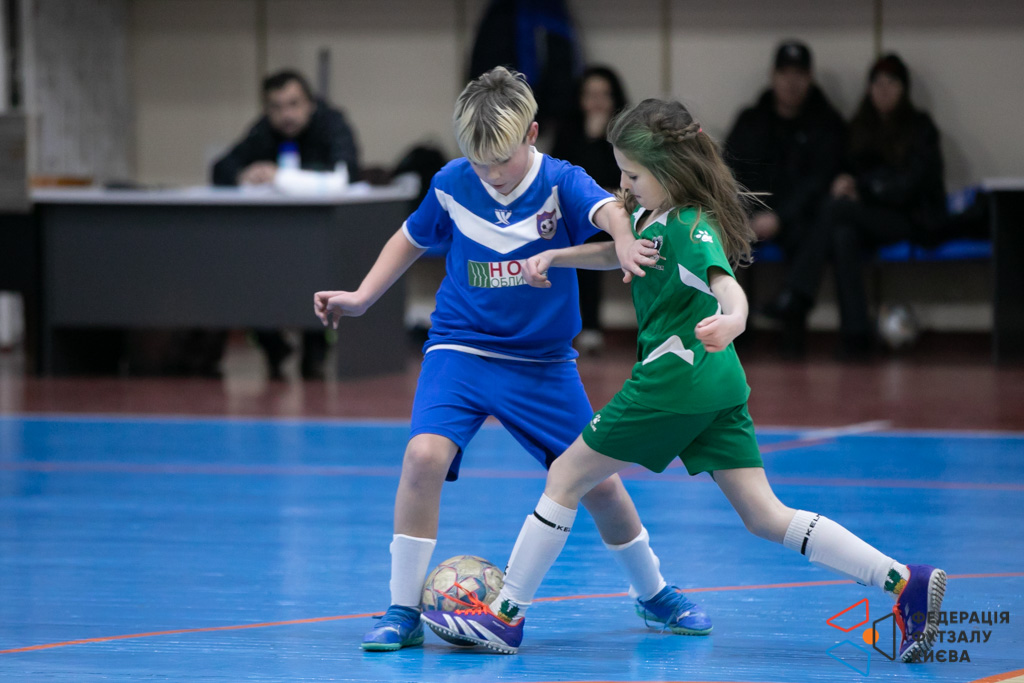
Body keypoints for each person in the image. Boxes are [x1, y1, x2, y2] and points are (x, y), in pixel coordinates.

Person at [422, 98, 946, 664]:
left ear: (670, 171)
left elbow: (724, 282)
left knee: (565, 476)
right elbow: (622, 253)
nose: (623, 186)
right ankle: (903, 580)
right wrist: (558, 256)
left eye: (632, 175)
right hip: (718, 387)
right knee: (764, 515)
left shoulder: (692, 226)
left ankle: (506, 616)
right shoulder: (653, 217)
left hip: (672, 382)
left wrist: (736, 318)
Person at [314, 68, 709, 652]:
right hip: (461, 349)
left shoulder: (561, 180)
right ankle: (402, 609)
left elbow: (610, 212)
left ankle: (654, 593)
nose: (491, 174)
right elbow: (410, 238)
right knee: (422, 457)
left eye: (501, 160)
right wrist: (363, 296)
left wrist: (625, 240)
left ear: (532, 133)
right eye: (479, 162)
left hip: (542, 363)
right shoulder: (452, 182)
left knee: (600, 485)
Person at [765, 53, 946, 359]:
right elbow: (847, 169)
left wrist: (861, 188)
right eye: (877, 83)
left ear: (904, 89)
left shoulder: (920, 128)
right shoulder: (860, 127)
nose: (883, 89)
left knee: (837, 209)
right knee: (842, 234)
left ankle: (797, 293)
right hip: (869, 218)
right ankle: (855, 335)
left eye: (891, 82)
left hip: (912, 218)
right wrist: (846, 182)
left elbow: (910, 185)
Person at [213, 69, 360, 379]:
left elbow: (346, 171)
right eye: (276, 107)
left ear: (310, 104)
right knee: (242, 270)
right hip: (271, 239)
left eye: (294, 104)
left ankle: (315, 352)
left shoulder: (331, 124)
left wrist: (281, 177)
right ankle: (274, 348)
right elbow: (221, 168)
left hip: (323, 239)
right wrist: (243, 175)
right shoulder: (264, 131)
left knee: (319, 275)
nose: (286, 115)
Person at [725, 40, 845, 357]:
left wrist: (780, 218)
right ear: (773, 76)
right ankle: (730, 329)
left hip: (798, 220)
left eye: (799, 74)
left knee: (813, 230)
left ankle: (792, 325)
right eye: (785, 73)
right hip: (750, 214)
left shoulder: (827, 124)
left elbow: (820, 182)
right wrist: (744, 213)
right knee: (720, 232)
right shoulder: (751, 120)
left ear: (810, 78)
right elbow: (729, 170)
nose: (792, 82)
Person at [552, 66, 629, 355]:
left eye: (604, 95)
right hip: (578, 215)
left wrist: (600, 140)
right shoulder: (568, 131)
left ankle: (595, 326)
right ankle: (584, 326)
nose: (597, 102)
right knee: (581, 235)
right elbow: (566, 180)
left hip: (623, 209)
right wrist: (590, 139)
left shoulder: (626, 134)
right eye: (590, 95)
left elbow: (623, 179)